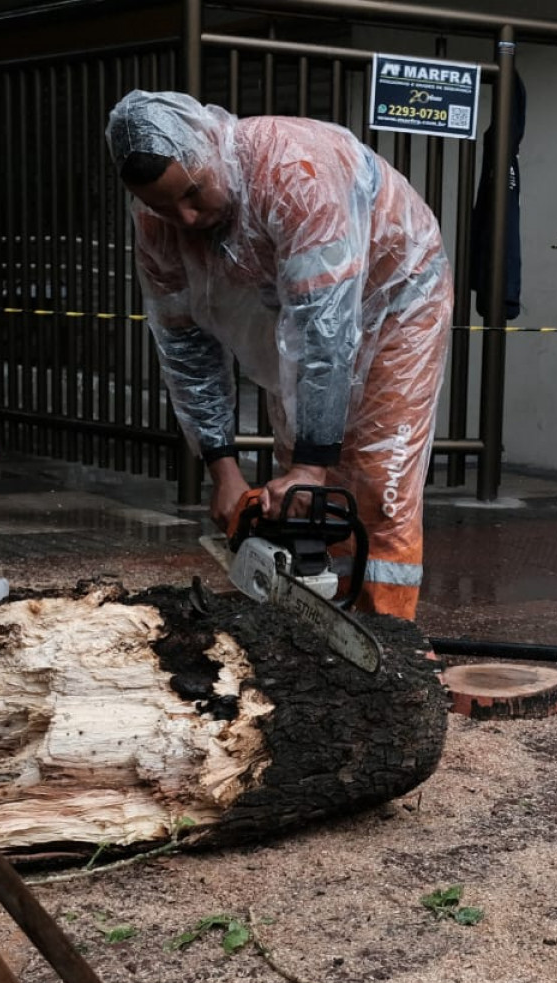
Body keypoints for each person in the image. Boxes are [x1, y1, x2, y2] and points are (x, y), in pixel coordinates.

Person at [107, 89, 452, 620]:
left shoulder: (293, 170)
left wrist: (312, 469)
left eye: (194, 192)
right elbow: (185, 349)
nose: (186, 217)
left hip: (396, 301)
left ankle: (389, 634)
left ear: (211, 147)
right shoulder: (157, 226)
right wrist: (223, 470)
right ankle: (325, 620)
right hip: (297, 313)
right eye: (163, 206)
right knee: (300, 494)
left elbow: (326, 332)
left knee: (378, 479)